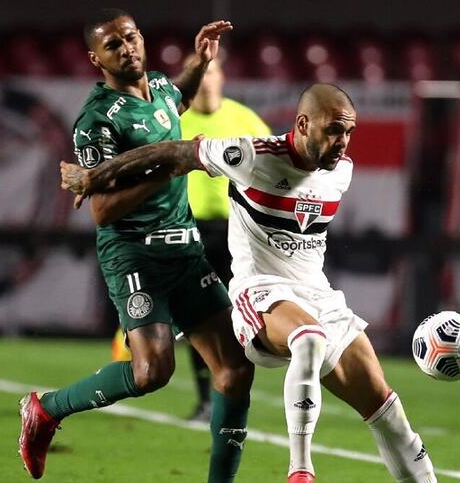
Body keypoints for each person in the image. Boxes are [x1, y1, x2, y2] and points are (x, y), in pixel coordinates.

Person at [61, 83, 438, 483]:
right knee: (308, 337)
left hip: (319, 296)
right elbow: (175, 152)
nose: (342, 142)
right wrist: (96, 175)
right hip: (259, 294)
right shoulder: (252, 155)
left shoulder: (340, 171)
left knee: (388, 411)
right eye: (333, 130)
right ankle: (300, 470)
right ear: (303, 124)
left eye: (348, 133)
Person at [18, 10, 254, 482]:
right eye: (114, 45)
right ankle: (46, 409)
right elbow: (103, 211)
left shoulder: (162, 88)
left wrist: (201, 59)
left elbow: (177, 99)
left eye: (131, 37)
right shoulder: (95, 121)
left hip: (184, 250)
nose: (127, 48)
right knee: (152, 373)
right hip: (135, 255)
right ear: (96, 58)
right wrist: (169, 168)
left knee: (235, 369)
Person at [111, 54, 271, 423]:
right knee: (200, 317)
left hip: (237, 232)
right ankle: (207, 399)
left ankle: (233, 389)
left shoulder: (245, 119)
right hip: (184, 229)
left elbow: (270, 170)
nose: (207, 80)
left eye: (212, 72)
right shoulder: (171, 119)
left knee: (240, 317)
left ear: (222, 77)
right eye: (202, 74)